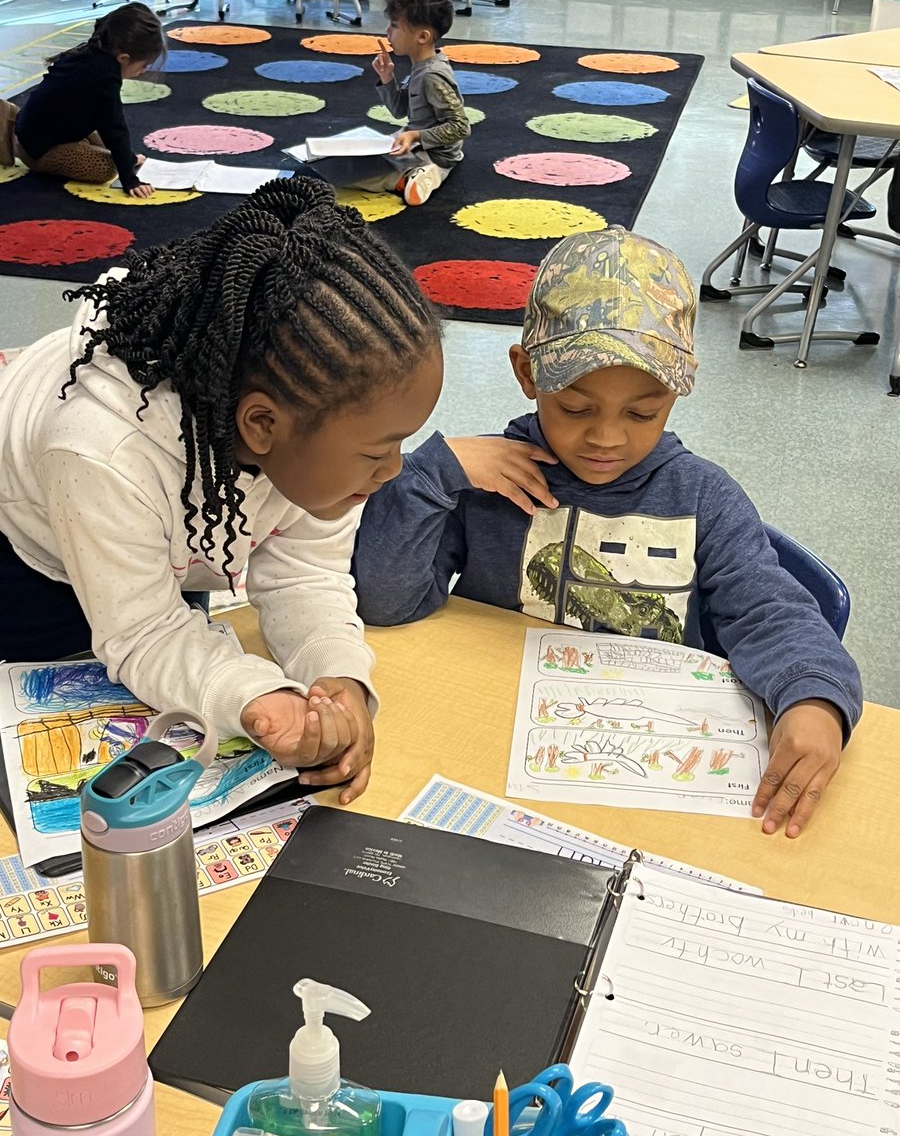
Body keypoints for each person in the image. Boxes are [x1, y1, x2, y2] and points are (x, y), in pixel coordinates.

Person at [352, 226, 863, 836]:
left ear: (675, 392)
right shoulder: (488, 481)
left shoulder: (702, 496)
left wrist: (814, 698)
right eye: (575, 407)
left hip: (648, 769)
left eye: (643, 412)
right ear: (525, 373)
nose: (606, 438)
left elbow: (771, 612)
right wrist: (429, 475)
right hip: (496, 744)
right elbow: (384, 601)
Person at [0, 178, 443, 803]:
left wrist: (333, 675)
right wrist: (247, 691)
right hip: (28, 531)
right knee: (53, 700)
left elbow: (306, 576)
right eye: (378, 452)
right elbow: (145, 630)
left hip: (174, 510)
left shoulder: (311, 435)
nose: (395, 469)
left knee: (189, 654)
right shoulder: (102, 455)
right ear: (262, 425)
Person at [318, 0, 468, 206]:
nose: (388, 31)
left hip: (434, 153)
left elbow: (460, 126)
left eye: (395, 26)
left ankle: (414, 177)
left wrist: (416, 136)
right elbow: (399, 110)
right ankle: (416, 171)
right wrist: (388, 79)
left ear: (422, 37)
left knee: (350, 172)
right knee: (354, 158)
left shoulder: (432, 76)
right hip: (416, 141)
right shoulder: (421, 67)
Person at [0, 3, 162, 198]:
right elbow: (114, 127)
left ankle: (15, 125)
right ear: (124, 58)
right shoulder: (103, 80)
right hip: (39, 149)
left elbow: (107, 122)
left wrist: (128, 158)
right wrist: (129, 178)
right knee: (105, 168)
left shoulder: (93, 51)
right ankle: (17, 145)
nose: (144, 71)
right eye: (144, 65)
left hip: (45, 127)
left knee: (108, 142)